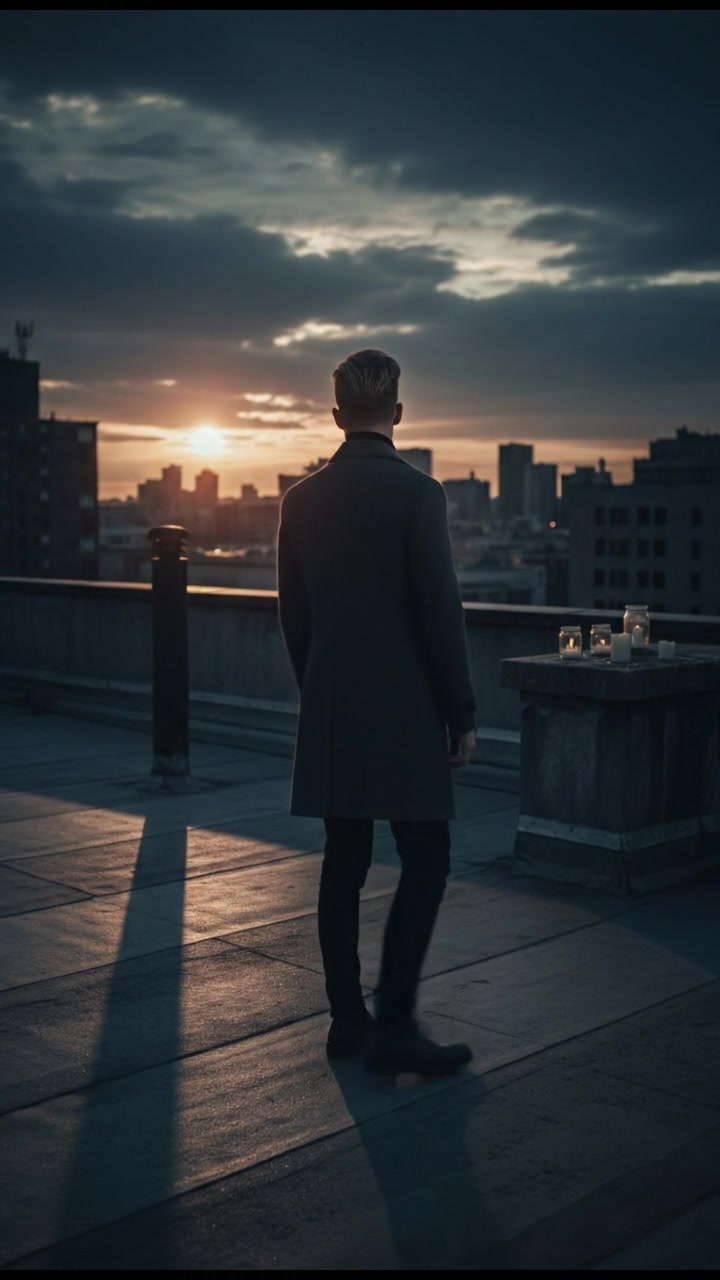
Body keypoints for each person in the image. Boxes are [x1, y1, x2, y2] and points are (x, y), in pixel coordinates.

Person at [277, 349, 476, 1077]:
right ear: (398, 412)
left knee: (344, 863)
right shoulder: (419, 494)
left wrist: (320, 693)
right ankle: (394, 1022)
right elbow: (440, 614)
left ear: (336, 416)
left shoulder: (299, 501)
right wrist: (459, 713)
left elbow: (294, 620)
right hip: (408, 712)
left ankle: (346, 1021)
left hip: (334, 708)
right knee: (427, 859)